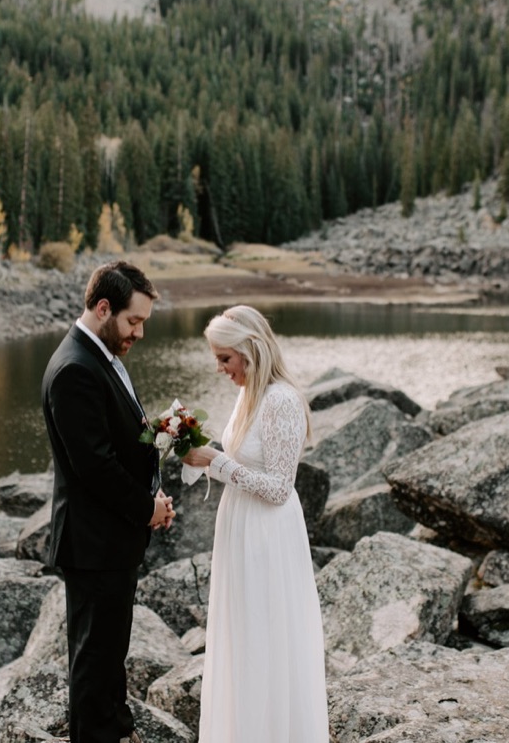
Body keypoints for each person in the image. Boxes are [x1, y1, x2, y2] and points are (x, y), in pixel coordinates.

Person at [42, 260, 176, 743]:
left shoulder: (99, 355)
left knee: (108, 652)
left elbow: (122, 441)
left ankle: (116, 730)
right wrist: (147, 509)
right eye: (133, 321)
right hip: (93, 544)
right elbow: (94, 468)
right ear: (103, 308)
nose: (138, 332)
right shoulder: (75, 369)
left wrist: (152, 486)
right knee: (94, 660)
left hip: (108, 541)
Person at [182, 305, 328, 742]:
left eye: (225, 358)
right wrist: (196, 451)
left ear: (250, 349)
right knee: (241, 640)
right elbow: (242, 459)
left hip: (268, 534)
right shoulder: (249, 394)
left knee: (266, 639)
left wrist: (218, 463)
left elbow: (280, 487)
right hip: (239, 527)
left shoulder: (281, 399)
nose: (220, 368)